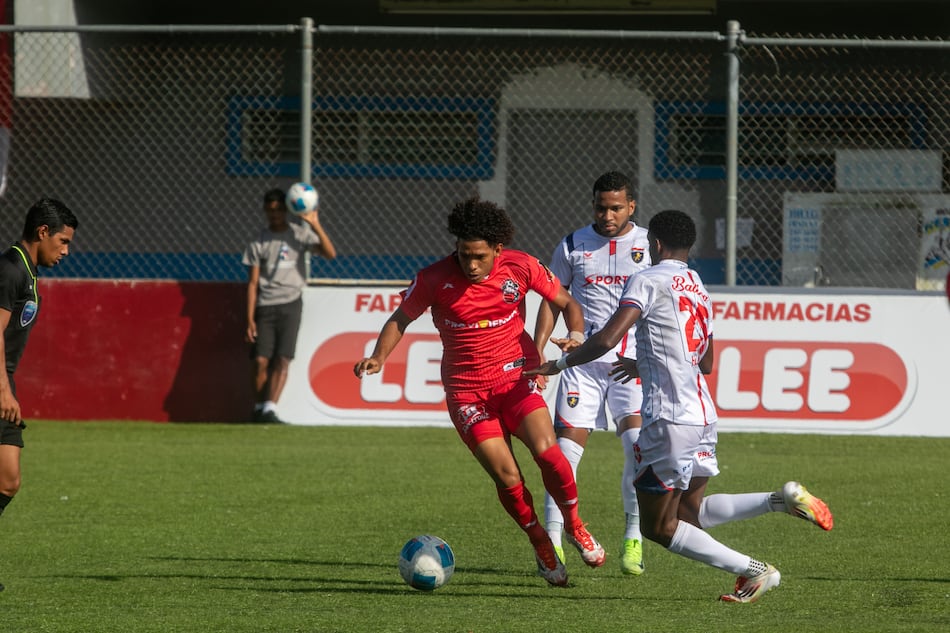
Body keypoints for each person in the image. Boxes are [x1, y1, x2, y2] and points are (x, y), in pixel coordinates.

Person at [528, 209, 833, 603]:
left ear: (654, 244)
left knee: (659, 526)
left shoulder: (647, 278)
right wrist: (645, 363)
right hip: (703, 415)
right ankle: (780, 499)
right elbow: (704, 362)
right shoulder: (698, 286)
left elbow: (606, 339)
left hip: (669, 419)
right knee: (690, 511)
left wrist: (561, 362)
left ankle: (754, 571)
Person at [353, 196, 605, 587]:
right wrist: (378, 357)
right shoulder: (434, 278)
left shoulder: (521, 266)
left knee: (550, 455)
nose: (470, 264)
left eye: (479, 256)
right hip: (468, 393)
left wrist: (574, 334)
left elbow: (568, 303)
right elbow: (400, 319)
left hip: (515, 379)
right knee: (508, 478)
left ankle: (574, 524)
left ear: (497, 250)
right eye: (463, 254)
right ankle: (540, 542)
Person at [533, 171, 650, 575]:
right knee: (562, 457)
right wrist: (539, 347)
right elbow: (552, 298)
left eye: (616, 207)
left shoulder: (648, 245)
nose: (607, 214)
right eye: (601, 207)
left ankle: (633, 538)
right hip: (581, 366)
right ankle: (552, 541)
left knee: (637, 449)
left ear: (631, 206)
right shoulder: (572, 244)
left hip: (629, 366)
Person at [0, 197, 78, 593]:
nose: (66, 251)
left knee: (8, 480)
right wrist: (2, 390)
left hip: (4, 383)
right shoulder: (10, 269)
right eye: (63, 241)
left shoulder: (28, 273)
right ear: (42, 232)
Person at [243, 187, 336, 424]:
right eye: (270, 210)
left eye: (279, 210)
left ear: (287, 210)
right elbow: (253, 283)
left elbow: (330, 253)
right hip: (265, 305)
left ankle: (269, 409)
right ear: (265, 211)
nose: (275, 215)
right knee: (261, 360)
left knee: (283, 359)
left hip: (291, 304)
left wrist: (314, 223)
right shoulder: (259, 241)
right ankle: (259, 406)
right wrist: (249, 318)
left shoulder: (298, 235)